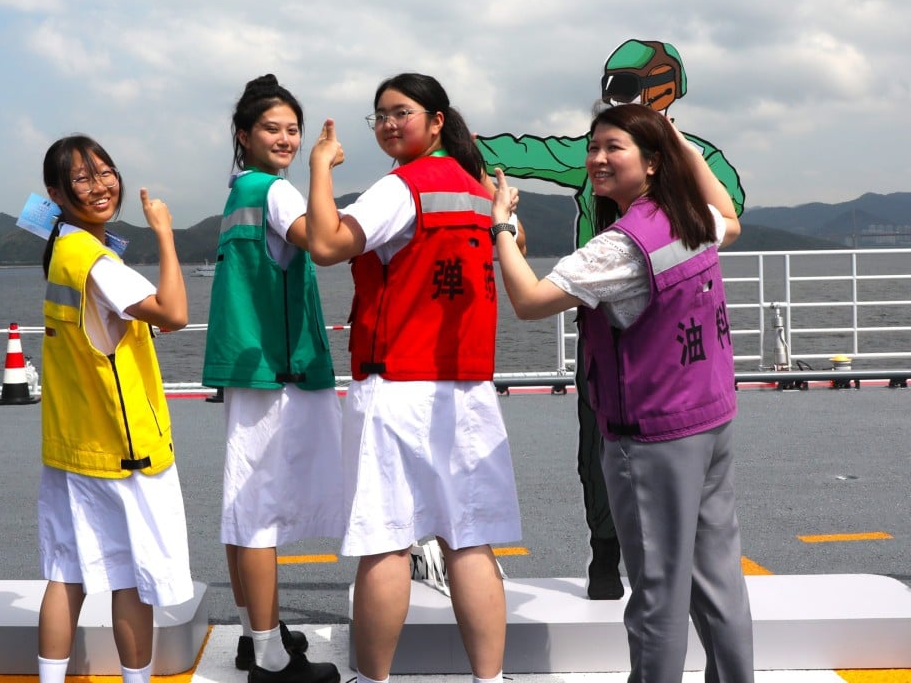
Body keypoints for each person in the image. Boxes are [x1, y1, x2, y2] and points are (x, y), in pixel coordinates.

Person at [489, 103, 753, 682]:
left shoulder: (621, 246)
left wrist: (502, 225)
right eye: (594, 148)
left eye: (614, 148)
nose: (597, 160)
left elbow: (530, 301)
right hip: (710, 420)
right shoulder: (692, 217)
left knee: (658, 594)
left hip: (653, 435)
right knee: (720, 581)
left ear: (653, 163)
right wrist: (678, 141)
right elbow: (730, 216)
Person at [306, 72, 521, 683]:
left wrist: (320, 167)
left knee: (386, 545)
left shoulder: (399, 189)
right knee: (470, 544)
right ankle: (491, 679)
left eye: (401, 112)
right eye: (380, 115)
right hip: (468, 387)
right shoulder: (481, 193)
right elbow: (511, 244)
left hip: (396, 381)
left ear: (435, 120)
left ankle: (372, 680)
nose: (389, 124)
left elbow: (325, 243)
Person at [201, 74, 343, 683]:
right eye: (272, 129)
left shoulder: (238, 193)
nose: (285, 137)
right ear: (244, 135)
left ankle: (256, 631)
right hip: (276, 370)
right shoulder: (274, 191)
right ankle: (269, 658)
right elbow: (323, 241)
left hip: (245, 365)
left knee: (243, 509)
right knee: (259, 513)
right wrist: (322, 169)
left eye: (293, 130)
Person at [36, 135, 193, 683]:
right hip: (122, 451)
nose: (100, 186)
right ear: (55, 193)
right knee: (132, 579)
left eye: (105, 172)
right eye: (82, 179)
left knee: (66, 573)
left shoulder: (62, 249)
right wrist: (166, 235)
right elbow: (172, 311)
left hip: (70, 445)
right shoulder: (96, 261)